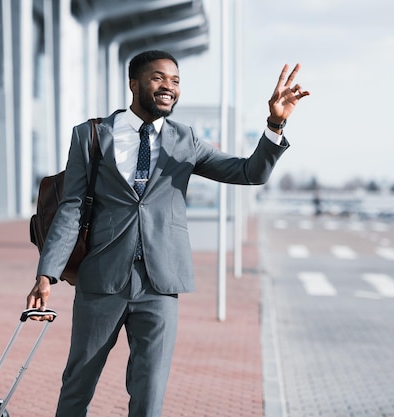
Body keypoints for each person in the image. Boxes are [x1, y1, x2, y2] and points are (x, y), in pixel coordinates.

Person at [27, 50, 309, 417]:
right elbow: (71, 207)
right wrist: (47, 273)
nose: (169, 87)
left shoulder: (184, 141)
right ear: (134, 84)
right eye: (159, 78)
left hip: (160, 285)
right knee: (78, 384)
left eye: (175, 81)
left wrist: (275, 124)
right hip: (101, 282)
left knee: (149, 394)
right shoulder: (91, 135)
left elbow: (249, 172)